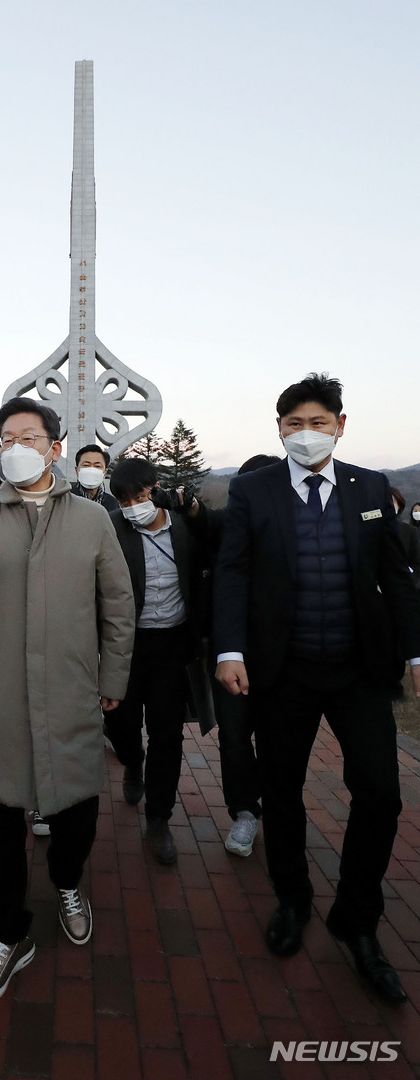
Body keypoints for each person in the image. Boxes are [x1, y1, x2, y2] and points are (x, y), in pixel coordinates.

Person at [214, 373, 420, 1004]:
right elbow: (232, 570)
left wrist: (413, 650)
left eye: (319, 422)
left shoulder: (371, 488)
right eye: (295, 424)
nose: (307, 434)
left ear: (340, 425)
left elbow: (396, 572)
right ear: (280, 429)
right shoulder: (253, 489)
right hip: (284, 668)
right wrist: (229, 648)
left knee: (382, 795)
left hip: (358, 669)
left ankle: (357, 921)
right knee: (281, 792)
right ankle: (293, 899)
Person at [0, 396, 134, 1007]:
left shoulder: (92, 519)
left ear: (54, 446)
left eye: (28, 436)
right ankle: (8, 934)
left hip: (70, 690)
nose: (15, 447)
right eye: (5, 437)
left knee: (75, 810)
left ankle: (69, 883)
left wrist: (113, 680)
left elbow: (118, 607)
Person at [104, 459, 220, 864]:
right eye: (124, 500)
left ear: (156, 488)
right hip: (125, 645)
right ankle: (132, 763)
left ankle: (159, 819)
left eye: (140, 496)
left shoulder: (186, 526)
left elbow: (220, 543)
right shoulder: (113, 530)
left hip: (173, 644)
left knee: (167, 734)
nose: (134, 506)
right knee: (120, 723)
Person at [214, 454, 280, 859]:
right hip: (232, 653)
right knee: (235, 736)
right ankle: (244, 811)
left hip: (282, 657)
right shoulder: (225, 527)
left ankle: (279, 804)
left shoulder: (293, 530)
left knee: (278, 738)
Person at [71, 444, 119, 512]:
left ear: (105, 472)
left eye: (97, 466)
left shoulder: (113, 503)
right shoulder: (66, 499)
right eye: (86, 465)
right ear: (77, 470)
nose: (91, 469)